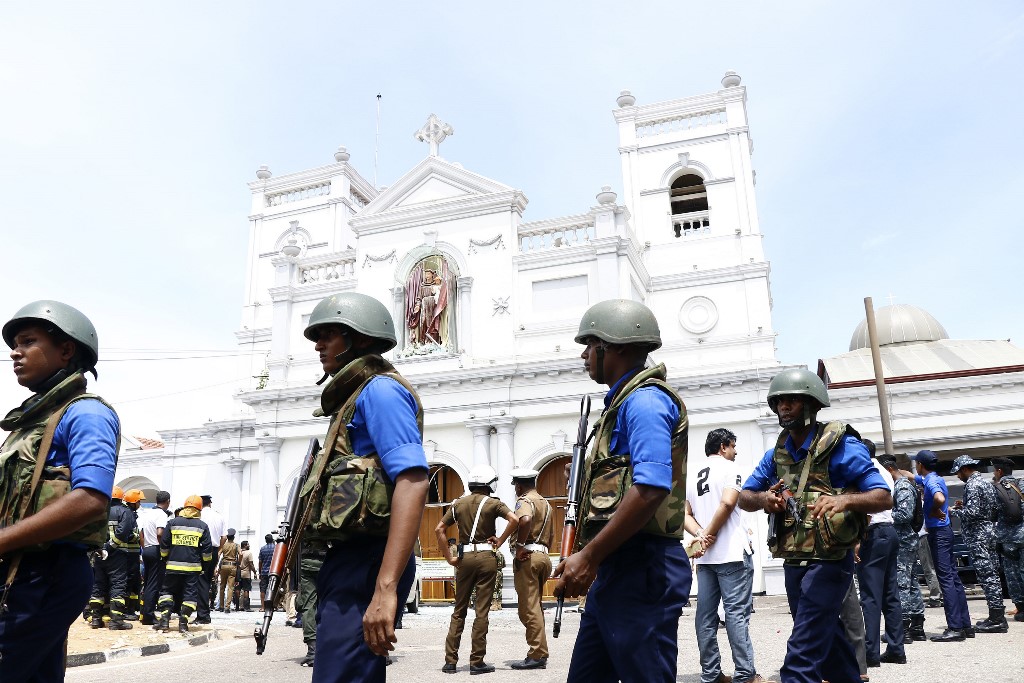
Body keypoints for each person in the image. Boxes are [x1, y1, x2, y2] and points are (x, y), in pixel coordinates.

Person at [553, 299, 690, 683]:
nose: (583, 354)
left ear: (615, 347)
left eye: (590, 343)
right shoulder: (620, 403)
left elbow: (650, 488)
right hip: (618, 565)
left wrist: (588, 557)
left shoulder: (645, 401)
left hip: (643, 566)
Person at [300, 292, 429, 683]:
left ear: (360, 339)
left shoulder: (380, 391)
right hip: (350, 557)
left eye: (330, 334)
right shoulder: (355, 396)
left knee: (342, 675)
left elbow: (413, 480)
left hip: (369, 559)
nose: (319, 344)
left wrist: (386, 587)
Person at [738, 368, 891, 683]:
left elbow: (883, 497)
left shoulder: (840, 445)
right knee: (826, 633)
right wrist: (765, 498)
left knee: (803, 646)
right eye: (779, 401)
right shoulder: (777, 453)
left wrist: (844, 501)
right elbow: (744, 497)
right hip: (795, 560)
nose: (784, 407)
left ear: (811, 404)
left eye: (792, 400)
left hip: (830, 561)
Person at [0, 300, 119, 681]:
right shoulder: (31, 422)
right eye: (14, 345)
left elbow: (89, 499)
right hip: (21, 572)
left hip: (44, 574)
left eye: (28, 341)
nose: (15, 353)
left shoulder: (86, 413)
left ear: (66, 350)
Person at [686, 428, 769, 683]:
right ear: (723, 447)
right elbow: (728, 503)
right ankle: (745, 674)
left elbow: (684, 514)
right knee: (736, 615)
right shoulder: (730, 468)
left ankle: (711, 674)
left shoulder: (692, 474)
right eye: (733, 446)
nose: (735, 451)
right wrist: (709, 534)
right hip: (732, 552)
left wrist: (701, 535)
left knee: (705, 616)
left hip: (706, 557)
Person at [436, 464, 519, 674]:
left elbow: (439, 529)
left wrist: (449, 557)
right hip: (485, 557)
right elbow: (515, 519)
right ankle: (476, 661)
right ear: (490, 484)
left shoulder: (458, 504)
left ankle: (450, 661)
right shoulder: (493, 503)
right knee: (481, 611)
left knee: (459, 610)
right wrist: (499, 541)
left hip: (464, 558)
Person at [908, 450, 972, 641]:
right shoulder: (933, 478)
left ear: (920, 464)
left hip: (939, 534)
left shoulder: (932, 482)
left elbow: (939, 499)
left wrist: (936, 510)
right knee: (953, 577)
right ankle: (965, 625)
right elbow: (912, 477)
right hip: (946, 532)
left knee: (946, 579)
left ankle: (955, 628)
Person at [855, 440, 905, 666]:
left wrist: (857, 539)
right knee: (890, 595)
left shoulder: (867, 470)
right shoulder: (884, 470)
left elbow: (867, 508)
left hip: (873, 533)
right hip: (889, 532)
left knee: (870, 597)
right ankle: (896, 649)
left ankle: (871, 653)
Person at [949, 454, 1006, 633]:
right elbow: (992, 508)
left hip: (979, 536)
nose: (958, 476)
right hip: (989, 532)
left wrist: (953, 511)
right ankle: (996, 615)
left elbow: (972, 513)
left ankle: (997, 620)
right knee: (993, 575)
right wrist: (964, 506)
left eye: (958, 473)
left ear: (965, 469)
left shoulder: (973, 485)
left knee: (987, 576)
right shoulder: (985, 483)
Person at [876, 455, 927, 643]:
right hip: (905, 540)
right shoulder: (902, 485)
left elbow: (904, 514)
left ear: (889, 470)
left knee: (902, 583)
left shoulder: (902, 486)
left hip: (904, 541)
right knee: (911, 582)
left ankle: (903, 628)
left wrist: (884, 514)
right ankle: (917, 626)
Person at [508, 467, 554, 671]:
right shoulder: (546, 503)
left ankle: (537, 654)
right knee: (536, 606)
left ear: (518, 486)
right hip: (543, 556)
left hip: (528, 556)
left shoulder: (524, 501)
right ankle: (539, 650)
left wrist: (519, 547)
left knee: (528, 608)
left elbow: (525, 520)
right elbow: (552, 535)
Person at [157, 494, 213, 633]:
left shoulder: (173, 522)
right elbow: (207, 551)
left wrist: (164, 558)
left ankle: (164, 621)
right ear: (199, 509)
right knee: (190, 596)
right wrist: (204, 567)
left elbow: (164, 544)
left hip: (172, 566)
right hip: (193, 568)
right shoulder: (202, 526)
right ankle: (183, 623)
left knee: (167, 592)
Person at [89, 486, 140, 630]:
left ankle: (96, 619)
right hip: (117, 554)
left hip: (99, 554)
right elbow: (123, 532)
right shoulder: (125, 512)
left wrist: (101, 549)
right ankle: (116, 621)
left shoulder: (100, 510)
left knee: (99, 585)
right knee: (118, 585)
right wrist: (109, 548)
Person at [991, 457, 1024, 621]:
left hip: (1008, 539)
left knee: (1013, 575)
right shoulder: (1022, 484)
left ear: (999, 471)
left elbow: (992, 514)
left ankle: (1021, 608)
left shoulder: (996, 488)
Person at [139, 490, 171, 625]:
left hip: (146, 549)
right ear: (168, 502)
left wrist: (144, 546)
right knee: (153, 584)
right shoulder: (161, 515)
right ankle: (149, 615)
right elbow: (160, 533)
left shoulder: (147, 513)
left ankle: (144, 612)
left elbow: (141, 533)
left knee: (147, 582)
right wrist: (163, 548)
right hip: (156, 549)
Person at [296, 540, 327, 667]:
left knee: (308, 604)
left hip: (307, 560)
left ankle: (312, 650)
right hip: (329, 558)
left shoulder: (301, 519)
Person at [197, 494, 225, 624]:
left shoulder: (199, 515)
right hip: (213, 550)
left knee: (201, 582)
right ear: (210, 503)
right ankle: (203, 613)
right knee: (206, 581)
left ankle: (203, 614)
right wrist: (219, 550)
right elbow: (223, 537)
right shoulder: (219, 516)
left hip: (200, 549)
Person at [122, 488, 146, 621]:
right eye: (139, 501)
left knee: (134, 582)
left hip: (132, 555)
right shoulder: (129, 514)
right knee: (129, 582)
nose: (140, 504)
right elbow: (129, 534)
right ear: (134, 502)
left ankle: (131, 609)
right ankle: (127, 610)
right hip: (129, 555)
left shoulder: (130, 514)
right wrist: (138, 536)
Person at [217, 528, 239, 613]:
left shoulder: (224, 545)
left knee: (222, 586)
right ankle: (227, 606)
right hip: (232, 566)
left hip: (224, 565)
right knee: (230, 587)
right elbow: (240, 554)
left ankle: (221, 606)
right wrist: (238, 562)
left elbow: (219, 553)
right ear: (233, 537)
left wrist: (219, 563)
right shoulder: (236, 545)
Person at [238, 540, 256, 611]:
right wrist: (254, 572)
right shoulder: (249, 553)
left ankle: (239, 606)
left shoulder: (239, 553)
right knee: (246, 589)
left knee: (238, 589)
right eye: (248, 544)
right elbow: (251, 564)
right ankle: (246, 607)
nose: (249, 545)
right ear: (245, 545)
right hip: (246, 574)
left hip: (239, 573)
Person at [258, 533, 275, 606]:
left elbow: (260, 562)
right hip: (274, 571)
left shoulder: (262, 548)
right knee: (273, 589)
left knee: (263, 590)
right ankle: (273, 606)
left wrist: (260, 572)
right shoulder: (276, 548)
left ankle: (263, 606)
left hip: (264, 572)